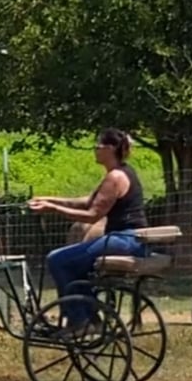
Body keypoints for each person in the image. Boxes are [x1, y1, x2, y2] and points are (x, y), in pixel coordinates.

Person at [28, 127, 149, 335]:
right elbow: (87, 201)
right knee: (75, 269)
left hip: (123, 239)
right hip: (129, 239)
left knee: (57, 259)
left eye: (98, 146)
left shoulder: (115, 177)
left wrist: (53, 209)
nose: (95, 149)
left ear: (110, 149)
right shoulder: (120, 173)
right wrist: (49, 199)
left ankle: (79, 321)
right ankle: (92, 319)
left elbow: (92, 215)